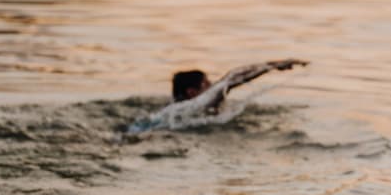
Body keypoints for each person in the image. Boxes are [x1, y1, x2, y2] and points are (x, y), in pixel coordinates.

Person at [127, 59, 308, 135]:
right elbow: (231, 79)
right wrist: (275, 66)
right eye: (207, 84)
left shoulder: (170, 110)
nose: (212, 86)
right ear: (191, 92)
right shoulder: (196, 105)